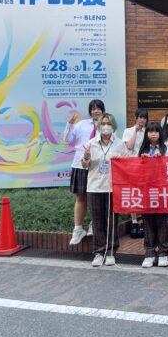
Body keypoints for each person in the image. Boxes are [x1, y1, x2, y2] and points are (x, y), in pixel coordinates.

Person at [81, 113, 128, 267]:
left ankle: (111, 252)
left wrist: (119, 161)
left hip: (112, 188)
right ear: (99, 126)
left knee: (111, 221)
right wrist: (86, 157)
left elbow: (126, 164)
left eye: (108, 123)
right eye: (103, 123)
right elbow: (84, 165)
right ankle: (98, 252)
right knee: (97, 221)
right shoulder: (91, 144)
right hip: (95, 187)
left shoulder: (120, 144)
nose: (106, 126)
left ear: (113, 126)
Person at [63, 99, 105, 245]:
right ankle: (78, 229)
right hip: (80, 165)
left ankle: (94, 224)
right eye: (93, 109)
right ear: (90, 111)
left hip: (98, 166)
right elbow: (67, 140)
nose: (96, 111)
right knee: (81, 197)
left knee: (96, 197)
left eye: (98, 108)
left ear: (103, 110)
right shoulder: (81, 124)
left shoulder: (107, 125)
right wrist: (69, 125)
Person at [138, 122, 168, 268]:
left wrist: (162, 160)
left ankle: (163, 252)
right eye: (150, 131)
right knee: (148, 221)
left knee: (162, 221)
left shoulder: (166, 149)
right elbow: (134, 169)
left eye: (156, 131)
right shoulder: (142, 150)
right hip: (146, 190)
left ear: (160, 133)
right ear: (146, 134)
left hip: (162, 190)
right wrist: (142, 161)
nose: (153, 134)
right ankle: (149, 253)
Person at [122, 108, 149, 239]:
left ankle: (143, 221)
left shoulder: (149, 131)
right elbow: (129, 146)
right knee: (132, 193)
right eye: (140, 117)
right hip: (131, 166)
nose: (142, 120)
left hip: (145, 166)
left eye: (144, 118)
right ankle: (134, 222)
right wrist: (136, 131)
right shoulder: (128, 131)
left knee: (144, 193)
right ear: (136, 118)